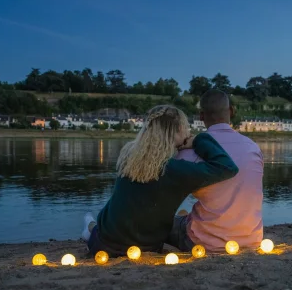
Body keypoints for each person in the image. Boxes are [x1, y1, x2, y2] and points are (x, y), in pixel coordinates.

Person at [82, 105, 239, 257]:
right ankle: (89, 226)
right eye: (186, 127)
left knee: (107, 219)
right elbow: (227, 167)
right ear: (177, 130)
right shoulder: (176, 170)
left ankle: (91, 226)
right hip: (147, 248)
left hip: (102, 244)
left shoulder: (128, 155)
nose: (188, 132)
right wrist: (200, 140)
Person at [167, 89, 263, 252]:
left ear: (201, 116)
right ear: (231, 111)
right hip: (252, 239)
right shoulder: (253, 148)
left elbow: (169, 194)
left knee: (167, 223)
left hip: (203, 243)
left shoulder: (190, 151)